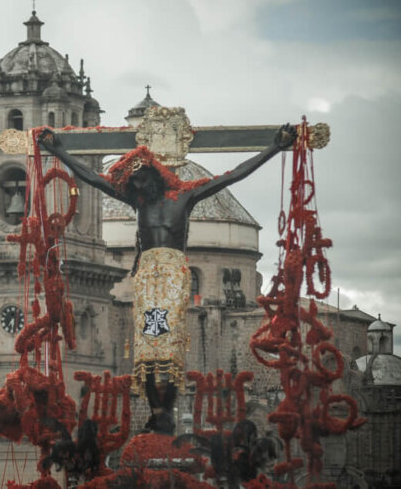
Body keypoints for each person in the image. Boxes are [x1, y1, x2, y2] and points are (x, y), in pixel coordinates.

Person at [36, 124, 297, 399]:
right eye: (133, 183)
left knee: (169, 336)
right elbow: (92, 177)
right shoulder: (138, 202)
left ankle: (168, 394)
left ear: (154, 177)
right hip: (148, 277)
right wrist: (58, 151)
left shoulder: (185, 197)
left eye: (140, 181)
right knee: (149, 338)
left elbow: (232, 176)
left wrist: (274, 148)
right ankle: (154, 400)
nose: (137, 187)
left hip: (173, 274)